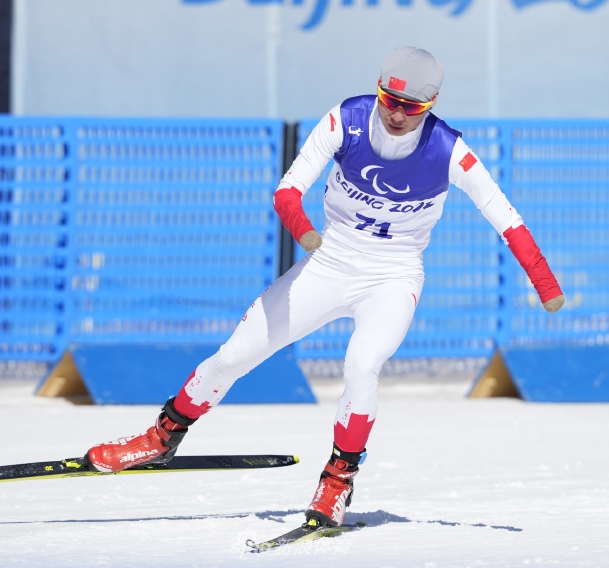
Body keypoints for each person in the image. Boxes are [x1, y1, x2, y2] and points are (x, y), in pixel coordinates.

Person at [85, 47, 564, 529]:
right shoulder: (347, 119)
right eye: (389, 99)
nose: (396, 114)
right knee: (234, 355)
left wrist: (544, 283)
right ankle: (160, 437)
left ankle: (337, 481)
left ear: (432, 103)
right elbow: (287, 191)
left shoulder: (448, 150)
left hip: (392, 276)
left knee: (362, 365)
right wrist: (305, 232)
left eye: (411, 107)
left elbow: (507, 220)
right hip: (329, 263)